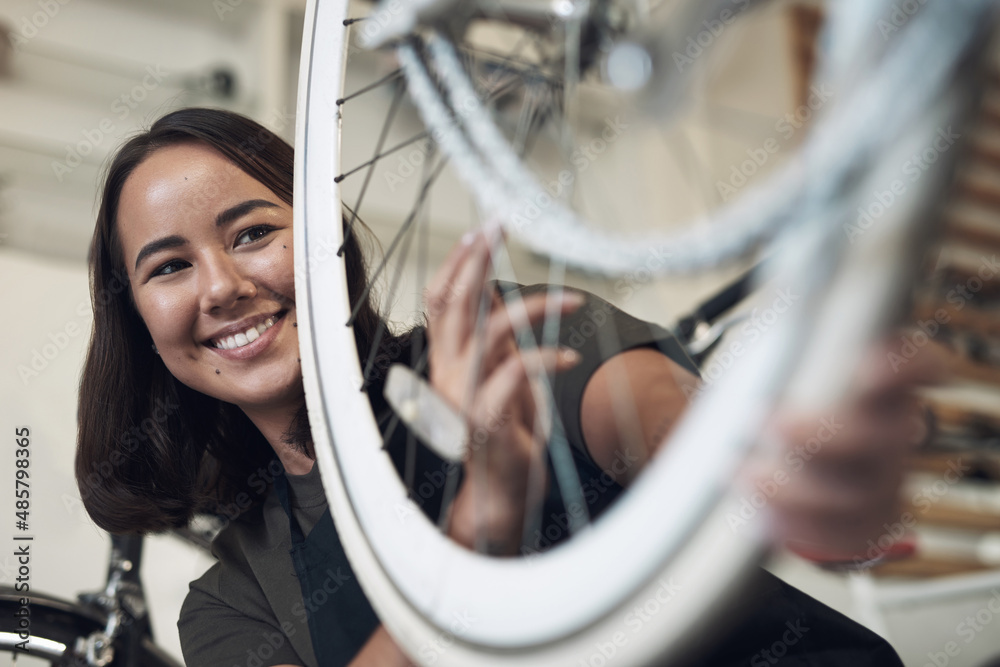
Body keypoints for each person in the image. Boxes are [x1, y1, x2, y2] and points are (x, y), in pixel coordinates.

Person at [76, 108, 929, 666]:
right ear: (139, 320)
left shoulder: (500, 344)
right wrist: (482, 527)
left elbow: (684, 439)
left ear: (323, 237)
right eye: (170, 267)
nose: (221, 286)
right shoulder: (234, 603)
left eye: (253, 230)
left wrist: (787, 462)